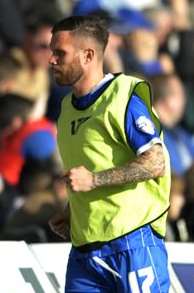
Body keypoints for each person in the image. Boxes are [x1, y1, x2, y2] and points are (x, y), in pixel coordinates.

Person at [49, 16, 171, 293]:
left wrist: (93, 181)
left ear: (88, 55)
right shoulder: (66, 109)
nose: (51, 60)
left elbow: (156, 161)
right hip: (85, 252)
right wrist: (73, 211)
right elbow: (97, 163)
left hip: (133, 244)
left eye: (60, 53)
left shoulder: (124, 96)